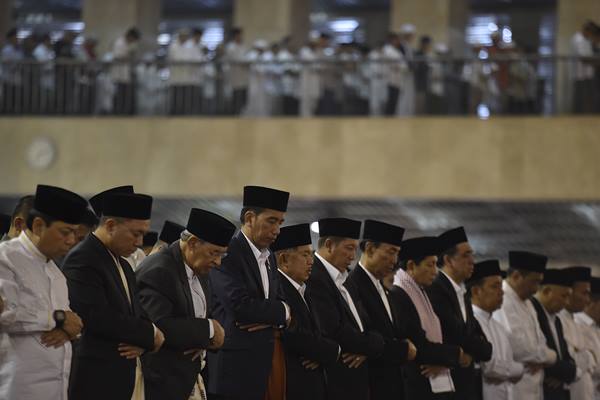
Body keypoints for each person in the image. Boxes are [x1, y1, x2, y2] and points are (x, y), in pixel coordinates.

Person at [62, 192, 165, 400]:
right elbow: (96, 316)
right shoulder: (84, 258)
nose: (139, 242)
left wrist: (144, 341)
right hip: (94, 379)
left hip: (122, 376)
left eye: (143, 234)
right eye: (135, 233)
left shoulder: (123, 264)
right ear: (110, 225)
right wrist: (150, 334)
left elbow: (137, 312)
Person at [136, 208, 235, 400]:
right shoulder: (160, 269)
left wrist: (204, 338)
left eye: (222, 255)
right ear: (193, 243)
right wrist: (209, 330)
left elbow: (200, 315)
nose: (218, 262)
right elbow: (160, 325)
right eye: (214, 253)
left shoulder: (198, 267)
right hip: (160, 382)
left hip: (188, 378)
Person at [0, 184, 88, 399]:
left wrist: (67, 330)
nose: (71, 241)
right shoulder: (6, 258)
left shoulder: (56, 272)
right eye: (65, 232)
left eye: (75, 234)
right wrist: (56, 319)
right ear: (39, 225)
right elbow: (5, 314)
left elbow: (71, 323)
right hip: (17, 388)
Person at [208, 185, 291, 400]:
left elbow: (283, 302)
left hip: (260, 369)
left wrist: (276, 314)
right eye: (271, 221)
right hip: (231, 372)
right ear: (250, 218)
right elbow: (240, 306)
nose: (277, 230)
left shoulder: (270, 256)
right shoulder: (228, 253)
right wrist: (278, 314)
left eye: (280, 223)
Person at [308, 218, 385, 400]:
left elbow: (367, 325)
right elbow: (333, 330)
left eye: (355, 249)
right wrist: (370, 346)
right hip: (334, 382)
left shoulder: (347, 279)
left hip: (357, 382)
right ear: (329, 245)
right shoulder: (314, 277)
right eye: (349, 248)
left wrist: (368, 346)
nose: (353, 256)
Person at [345, 219, 417, 399]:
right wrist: (403, 349)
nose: (395, 260)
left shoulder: (384, 289)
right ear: (370, 249)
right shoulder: (352, 285)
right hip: (372, 387)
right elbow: (364, 337)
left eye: (397, 253)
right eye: (391, 252)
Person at [389, 236, 466, 400]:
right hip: (416, 386)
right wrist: (456, 353)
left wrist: (444, 359)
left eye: (436, 265)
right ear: (411, 266)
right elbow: (418, 346)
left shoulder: (420, 292)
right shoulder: (398, 295)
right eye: (430, 265)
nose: (435, 271)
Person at [271, 223, 340, 400]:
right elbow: (294, 335)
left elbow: (321, 332)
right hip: (293, 386)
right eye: (305, 255)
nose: (311, 261)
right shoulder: (277, 290)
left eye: (311, 254)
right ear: (284, 259)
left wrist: (319, 352)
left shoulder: (306, 290)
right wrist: (329, 351)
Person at [427, 227, 492, 400]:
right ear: (448, 260)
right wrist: (476, 349)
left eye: (472, 255)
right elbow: (455, 333)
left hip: (465, 383)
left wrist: (473, 352)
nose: (472, 261)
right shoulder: (436, 288)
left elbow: (482, 342)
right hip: (446, 382)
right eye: (465, 256)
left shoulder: (461, 292)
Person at [493, 251, 557, 400]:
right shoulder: (503, 300)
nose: (536, 289)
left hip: (534, 384)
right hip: (515, 386)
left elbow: (541, 340)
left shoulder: (528, 303)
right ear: (516, 276)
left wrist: (545, 358)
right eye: (534, 282)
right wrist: (546, 358)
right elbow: (517, 348)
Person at [469, 260, 524, 400]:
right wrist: (518, 369)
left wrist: (513, 369)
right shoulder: (471, 322)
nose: (501, 292)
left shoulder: (498, 326)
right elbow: (489, 367)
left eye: (501, 286)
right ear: (476, 291)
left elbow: (506, 365)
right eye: (495, 286)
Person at [530, 269, 577, 400]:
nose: (567, 302)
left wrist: (562, 374)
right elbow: (535, 353)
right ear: (546, 291)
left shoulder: (556, 320)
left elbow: (567, 357)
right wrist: (561, 372)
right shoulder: (532, 313)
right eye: (564, 296)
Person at [559, 266, 596, 400]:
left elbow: (591, 359)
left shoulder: (574, 321)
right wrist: (587, 355)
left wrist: (585, 355)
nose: (587, 300)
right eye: (584, 293)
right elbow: (570, 360)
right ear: (569, 292)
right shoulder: (559, 320)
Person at [111, 27, 141, 114]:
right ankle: (117, 112)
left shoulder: (129, 45)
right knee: (119, 94)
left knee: (125, 94)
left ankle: (125, 111)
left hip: (125, 73)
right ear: (130, 36)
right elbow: (117, 57)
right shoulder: (119, 43)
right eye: (133, 39)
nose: (133, 41)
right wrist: (129, 56)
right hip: (119, 73)